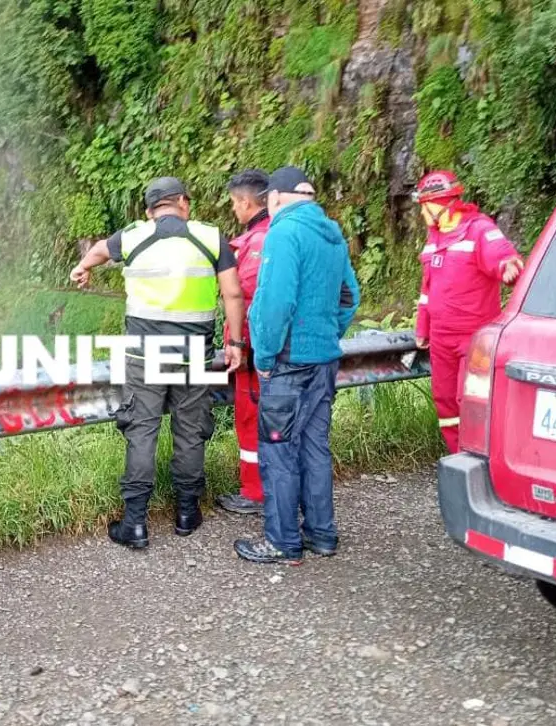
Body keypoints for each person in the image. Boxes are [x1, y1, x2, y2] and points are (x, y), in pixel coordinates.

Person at [71, 177, 246, 549]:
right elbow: (232, 292)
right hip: (194, 354)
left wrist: (83, 268)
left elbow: (100, 250)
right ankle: (186, 513)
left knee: (141, 431)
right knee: (190, 429)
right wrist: (233, 341)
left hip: (144, 356)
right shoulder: (211, 237)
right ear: (183, 202)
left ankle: (135, 524)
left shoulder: (134, 235)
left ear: (149, 211)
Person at [235, 167, 360, 565]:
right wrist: (326, 333)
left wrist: (266, 357)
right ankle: (322, 535)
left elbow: (274, 304)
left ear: (274, 199)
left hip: (288, 364)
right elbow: (349, 296)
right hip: (323, 360)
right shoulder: (332, 233)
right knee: (314, 448)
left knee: (278, 452)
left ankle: (282, 542)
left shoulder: (284, 232)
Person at [412, 170, 524, 453]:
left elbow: (501, 254)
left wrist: (508, 266)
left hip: (473, 337)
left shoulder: (479, 228)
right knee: (445, 400)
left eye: (425, 206)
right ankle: (458, 458)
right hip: (441, 338)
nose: (422, 213)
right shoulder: (433, 238)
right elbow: (427, 290)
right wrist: (422, 328)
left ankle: (482, 459)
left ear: (441, 204)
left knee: (472, 399)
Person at [215, 169, 274, 517]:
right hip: (286, 350)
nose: (234, 210)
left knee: (251, 419)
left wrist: (240, 345)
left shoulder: (256, 243)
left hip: (253, 352)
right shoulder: (283, 234)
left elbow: (246, 298)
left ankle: (254, 492)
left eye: (235, 204)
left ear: (245, 202)